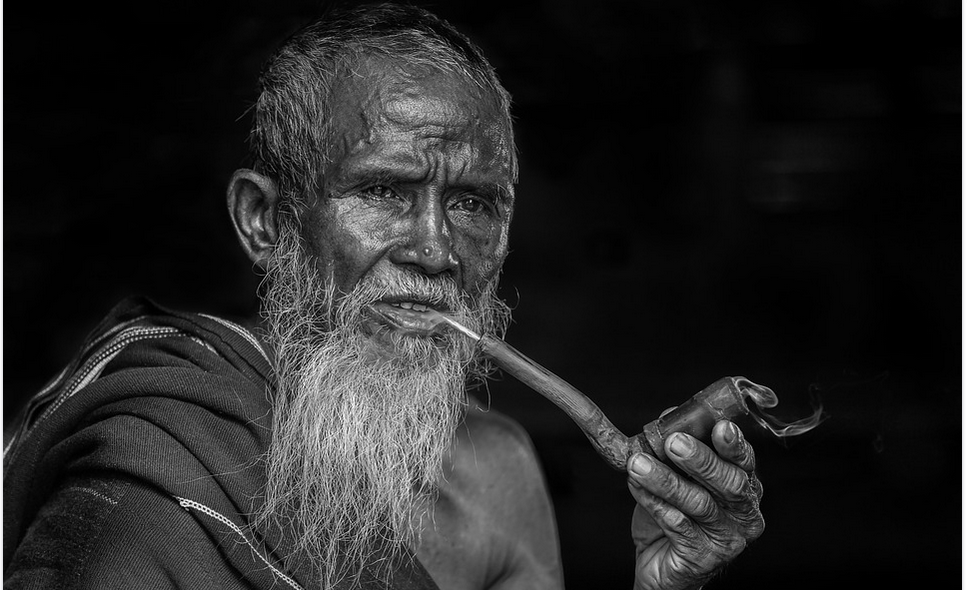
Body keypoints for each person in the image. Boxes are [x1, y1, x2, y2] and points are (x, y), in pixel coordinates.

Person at [3, 3, 764, 589]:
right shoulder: (148, 483)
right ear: (265, 221)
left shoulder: (499, 477)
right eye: (383, 191)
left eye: (471, 204)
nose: (435, 251)